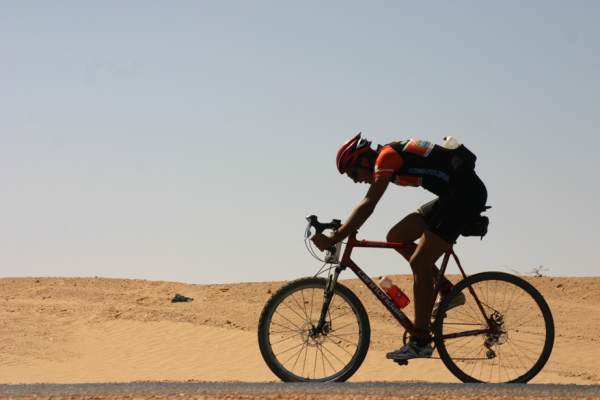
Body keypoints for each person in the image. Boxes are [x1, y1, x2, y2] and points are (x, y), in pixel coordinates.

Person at [311, 132, 488, 361]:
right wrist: (342, 231)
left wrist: (337, 237)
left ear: (364, 159)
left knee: (419, 262)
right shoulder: (388, 155)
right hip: (452, 195)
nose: (356, 180)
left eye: (354, 174)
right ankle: (445, 290)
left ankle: (421, 341)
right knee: (397, 235)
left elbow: (368, 204)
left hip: (464, 197)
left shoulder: (386, 158)